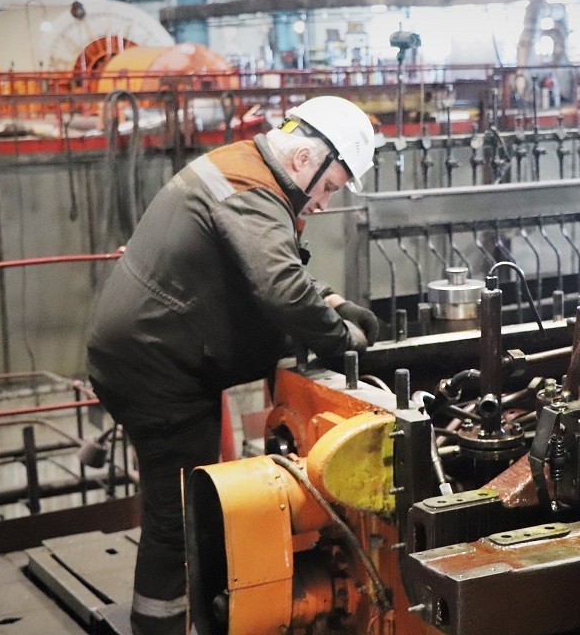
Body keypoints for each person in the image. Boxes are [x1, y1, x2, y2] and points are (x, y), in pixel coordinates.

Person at [86, 95, 381, 635]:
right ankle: (159, 626)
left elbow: (265, 266)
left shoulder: (246, 170)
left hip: (152, 355)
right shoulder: (252, 191)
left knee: (179, 506)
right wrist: (341, 341)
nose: (323, 203)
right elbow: (280, 287)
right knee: (177, 517)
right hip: (158, 370)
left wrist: (333, 302)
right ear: (304, 159)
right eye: (329, 187)